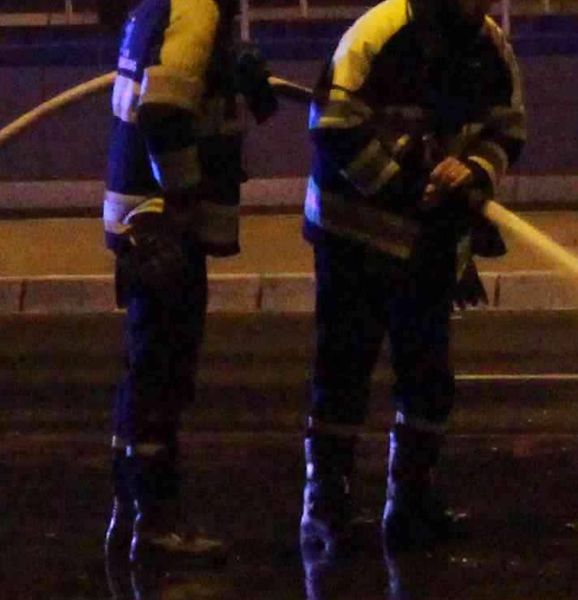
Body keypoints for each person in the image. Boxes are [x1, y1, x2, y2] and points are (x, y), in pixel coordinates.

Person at [298, 0, 524, 558]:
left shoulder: (489, 46)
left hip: (428, 243)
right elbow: (332, 126)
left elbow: (508, 128)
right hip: (355, 237)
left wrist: (473, 170)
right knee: (344, 370)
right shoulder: (378, 35)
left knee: (427, 375)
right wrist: (404, 190)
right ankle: (325, 509)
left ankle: (410, 503)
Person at [101, 0, 278, 567]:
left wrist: (233, 74)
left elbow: (173, 92)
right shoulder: (197, 8)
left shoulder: (166, 6)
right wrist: (183, 197)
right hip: (162, 225)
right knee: (162, 376)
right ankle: (155, 524)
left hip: (143, 221)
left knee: (148, 368)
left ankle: (131, 509)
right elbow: (163, 112)